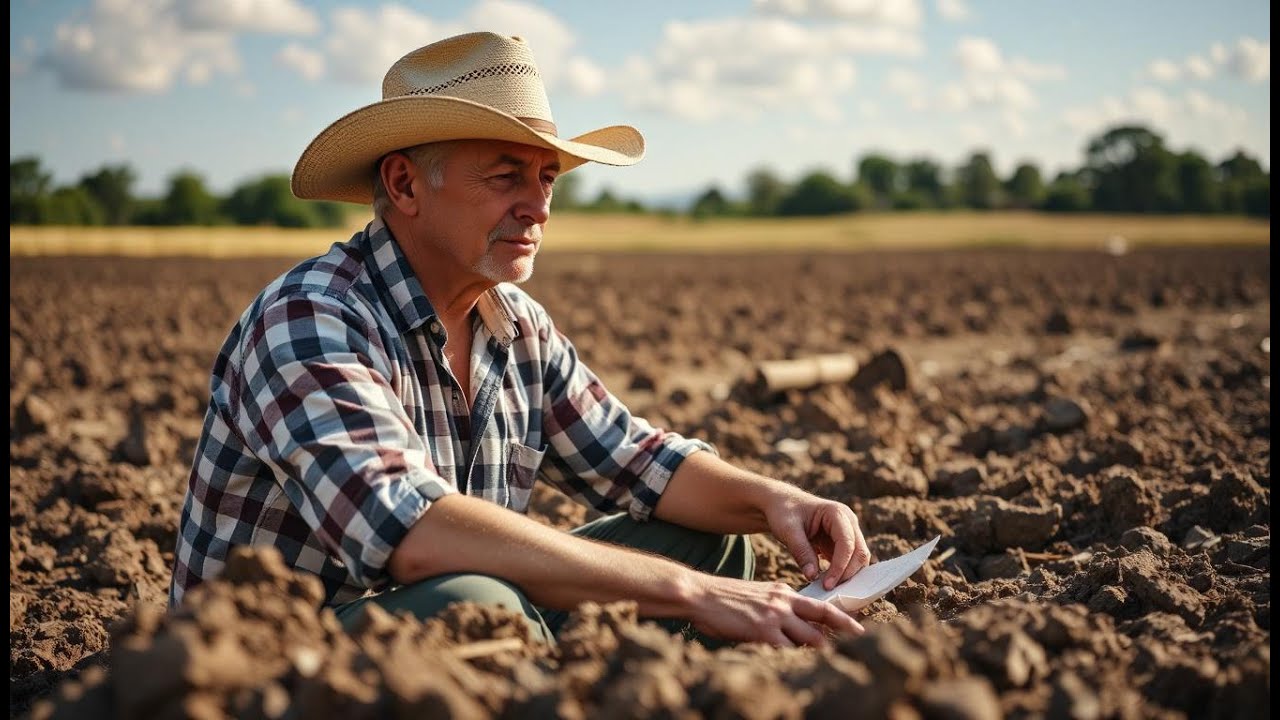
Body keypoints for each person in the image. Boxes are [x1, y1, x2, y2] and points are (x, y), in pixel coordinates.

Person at [169, 31, 871, 648]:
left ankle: (570, 674)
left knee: (708, 543)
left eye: (546, 178)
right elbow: (410, 534)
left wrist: (780, 500)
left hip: (444, 629)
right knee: (476, 605)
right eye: (506, 176)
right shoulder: (309, 317)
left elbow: (634, 460)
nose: (537, 206)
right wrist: (687, 596)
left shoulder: (514, 323)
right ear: (405, 184)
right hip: (270, 665)